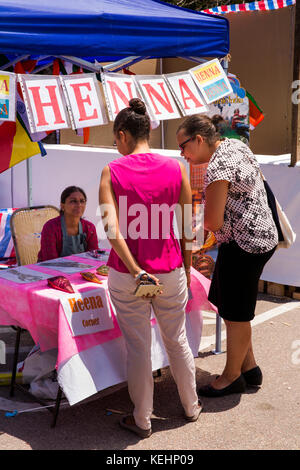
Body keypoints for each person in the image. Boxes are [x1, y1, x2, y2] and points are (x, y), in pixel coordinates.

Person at [99, 98, 201, 438]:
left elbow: (111, 229)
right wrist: (186, 269)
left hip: (128, 276)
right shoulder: (176, 169)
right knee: (177, 339)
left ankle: (142, 419)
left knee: (139, 346)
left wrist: (135, 269)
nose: (115, 146)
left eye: (115, 139)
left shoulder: (111, 171)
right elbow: (187, 227)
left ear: (123, 134)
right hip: (171, 269)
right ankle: (191, 406)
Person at [176, 114, 278, 397]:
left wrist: (196, 231)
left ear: (198, 139)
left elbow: (212, 222)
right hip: (257, 237)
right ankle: (249, 368)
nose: (182, 155)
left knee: (237, 313)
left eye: (183, 147)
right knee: (228, 303)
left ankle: (232, 377)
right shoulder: (236, 145)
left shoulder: (218, 166)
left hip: (244, 244)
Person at [37, 186, 98, 262]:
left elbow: (93, 256)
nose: (79, 205)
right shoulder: (51, 227)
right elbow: (50, 261)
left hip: (81, 270)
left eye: (82, 201)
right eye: (73, 201)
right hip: (50, 271)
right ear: (62, 206)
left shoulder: (89, 228)